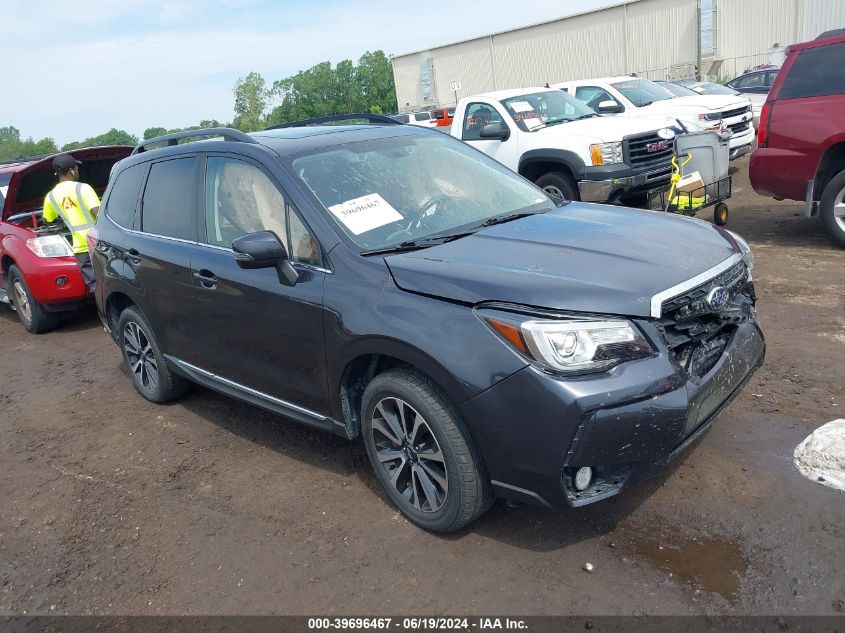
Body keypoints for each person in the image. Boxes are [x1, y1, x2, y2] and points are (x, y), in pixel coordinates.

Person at [42, 154, 100, 292]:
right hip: (97, 242)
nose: (77, 171)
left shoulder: (51, 196)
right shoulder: (83, 188)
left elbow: (46, 220)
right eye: (76, 168)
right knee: (109, 283)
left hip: (80, 247)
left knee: (94, 286)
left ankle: (101, 312)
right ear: (72, 170)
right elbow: (98, 214)